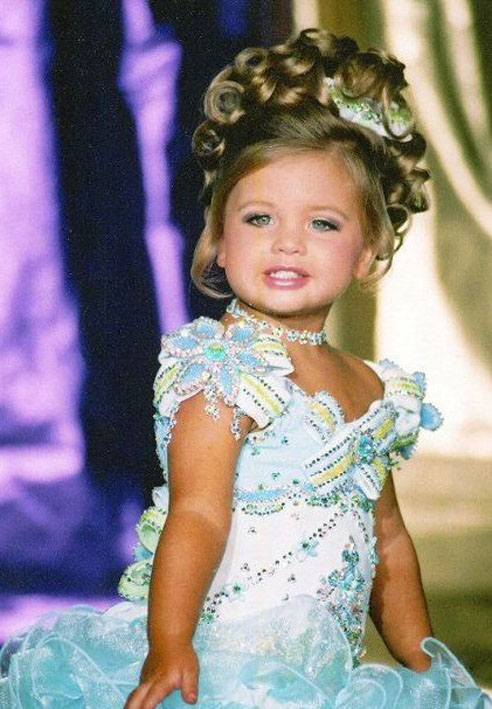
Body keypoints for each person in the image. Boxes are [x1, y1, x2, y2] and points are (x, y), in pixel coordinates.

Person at [0, 29, 490, 709]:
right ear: (220, 242)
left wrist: (424, 664)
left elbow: (389, 541)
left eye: (322, 224)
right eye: (260, 218)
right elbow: (198, 515)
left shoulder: (371, 388)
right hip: (228, 673)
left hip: (321, 684)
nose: (288, 241)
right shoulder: (226, 374)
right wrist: (170, 644)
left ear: (368, 250)